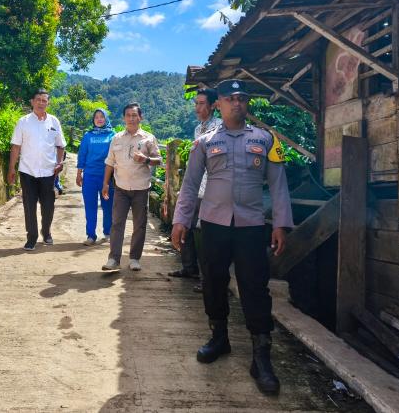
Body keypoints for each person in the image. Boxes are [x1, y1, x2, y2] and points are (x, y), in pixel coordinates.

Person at [171, 79, 293, 396]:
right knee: (212, 281)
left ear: (246, 103)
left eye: (241, 98)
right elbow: (190, 184)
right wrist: (181, 220)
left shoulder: (266, 140)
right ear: (218, 104)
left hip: (252, 225)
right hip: (213, 223)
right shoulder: (204, 142)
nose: (236, 103)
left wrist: (281, 224)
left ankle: (261, 356)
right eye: (230, 98)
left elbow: (279, 186)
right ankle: (219, 337)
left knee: (254, 286)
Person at [168, 88, 220, 290]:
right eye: (196, 103)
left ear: (213, 105)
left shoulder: (220, 128)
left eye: (201, 103)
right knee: (186, 229)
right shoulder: (199, 129)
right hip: (195, 189)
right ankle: (189, 268)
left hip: (211, 191)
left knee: (204, 236)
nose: (197, 107)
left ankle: (208, 279)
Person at [100, 103, 162, 272]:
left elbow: (160, 161)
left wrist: (146, 160)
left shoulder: (149, 138)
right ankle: (113, 259)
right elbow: (110, 162)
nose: (131, 118)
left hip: (141, 188)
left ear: (140, 117)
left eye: (134, 115)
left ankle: (134, 258)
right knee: (117, 223)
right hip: (120, 187)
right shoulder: (117, 138)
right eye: (128, 115)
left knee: (139, 225)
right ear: (124, 118)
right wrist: (105, 183)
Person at [8, 89, 66, 251]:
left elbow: (60, 145)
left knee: (48, 205)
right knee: (29, 205)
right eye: (38, 100)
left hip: (49, 172)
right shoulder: (23, 122)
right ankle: (31, 237)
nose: (41, 103)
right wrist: (11, 168)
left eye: (44, 100)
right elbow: (16, 146)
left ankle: (46, 231)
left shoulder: (54, 122)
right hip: (27, 171)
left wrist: (59, 162)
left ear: (48, 103)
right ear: (32, 102)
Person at [76, 108, 116, 245]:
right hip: (90, 177)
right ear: (93, 120)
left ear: (106, 119)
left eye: (102, 117)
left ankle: (108, 233)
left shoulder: (113, 135)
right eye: (96, 117)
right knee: (90, 206)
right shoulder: (88, 136)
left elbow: (116, 156)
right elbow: (82, 154)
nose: (99, 119)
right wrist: (79, 174)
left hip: (108, 177)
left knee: (108, 207)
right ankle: (91, 236)